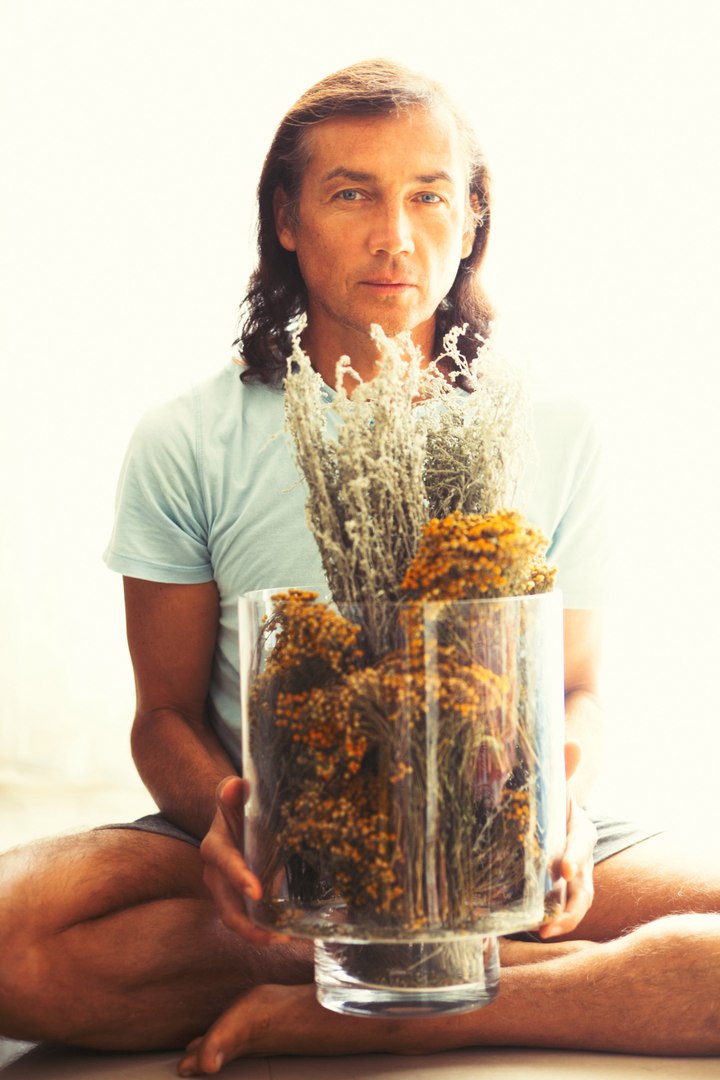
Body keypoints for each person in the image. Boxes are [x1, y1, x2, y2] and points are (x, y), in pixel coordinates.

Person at [1, 59, 718, 1077]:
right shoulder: (189, 437)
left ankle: (382, 1009)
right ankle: (471, 974)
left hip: (498, 828)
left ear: (471, 219)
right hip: (281, 841)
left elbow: (577, 692)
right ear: (286, 220)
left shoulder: (553, 427)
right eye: (352, 194)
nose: (395, 235)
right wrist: (237, 823)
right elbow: (162, 715)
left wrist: (559, 808)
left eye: (429, 195)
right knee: (12, 942)